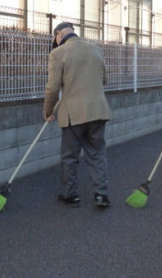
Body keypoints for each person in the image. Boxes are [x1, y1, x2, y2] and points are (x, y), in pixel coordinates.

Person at [43, 22, 112, 208]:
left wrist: (48, 111)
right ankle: (101, 195)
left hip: (73, 114)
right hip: (98, 110)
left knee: (70, 156)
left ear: (58, 34)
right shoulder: (95, 49)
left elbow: (52, 87)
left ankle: (70, 195)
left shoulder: (58, 53)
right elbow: (104, 79)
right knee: (97, 154)